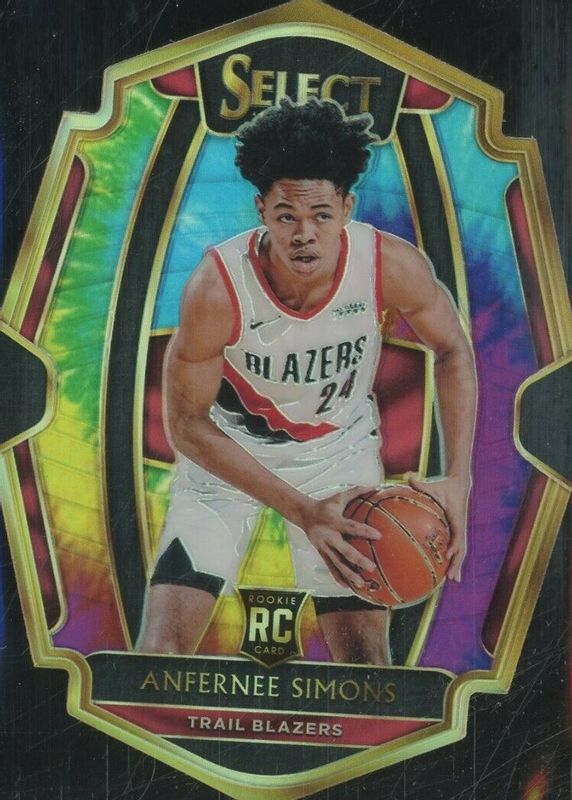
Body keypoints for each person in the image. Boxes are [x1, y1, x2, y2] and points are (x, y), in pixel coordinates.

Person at [138, 98, 476, 665]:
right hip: (230, 458)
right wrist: (300, 510)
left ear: (347, 207)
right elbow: (188, 425)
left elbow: (453, 350)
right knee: (159, 653)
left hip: (337, 457)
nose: (304, 234)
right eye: (286, 216)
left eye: (321, 214)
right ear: (261, 210)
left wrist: (460, 478)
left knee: (367, 666)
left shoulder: (389, 265)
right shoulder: (218, 287)